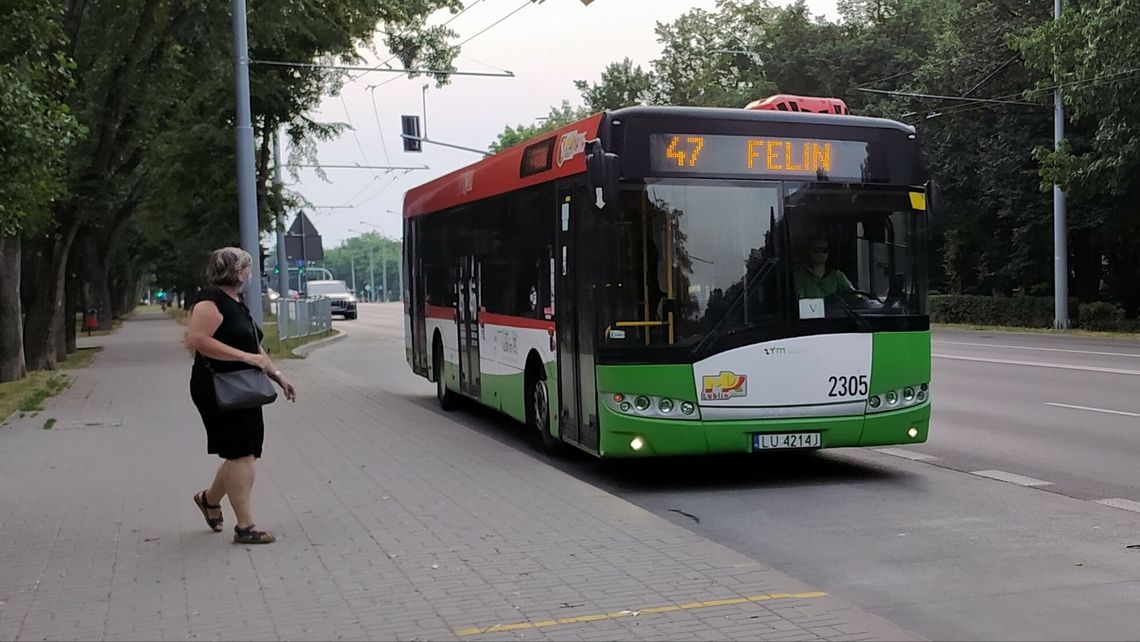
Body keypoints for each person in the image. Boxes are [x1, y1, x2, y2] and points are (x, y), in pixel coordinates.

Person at [185, 247, 297, 545]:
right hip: (217, 387)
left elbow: (254, 348)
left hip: (242, 387)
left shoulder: (236, 302)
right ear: (237, 271)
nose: (250, 273)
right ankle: (245, 526)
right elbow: (197, 340)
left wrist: (278, 376)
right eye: (247, 267)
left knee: (245, 452)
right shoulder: (210, 302)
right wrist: (246, 358)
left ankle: (209, 500)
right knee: (240, 454)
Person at [793, 234, 855, 300]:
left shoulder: (837, 276)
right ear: (808, 252)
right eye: (816, 250)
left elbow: (854, 294)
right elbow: (801, 301)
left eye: (824, 250)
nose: (821, 253)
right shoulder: (800, 277)